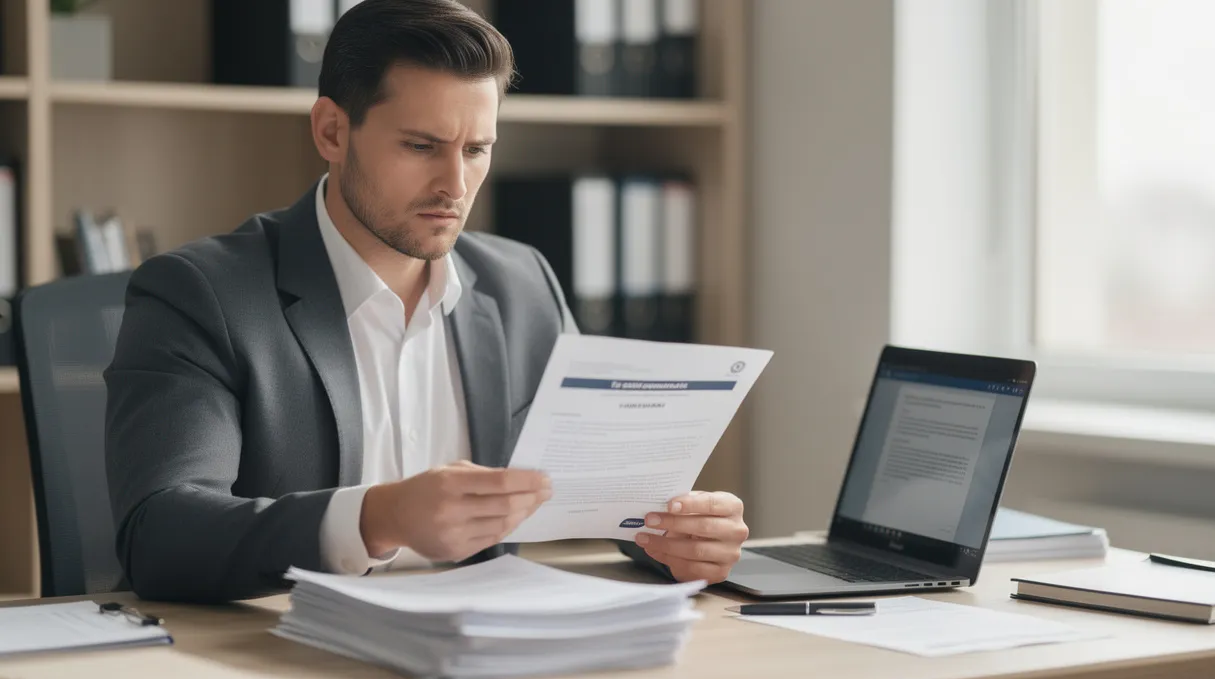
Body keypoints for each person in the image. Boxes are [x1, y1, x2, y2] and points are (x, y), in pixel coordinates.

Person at [104, 0, 748, 608]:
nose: (455, 185)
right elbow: (159, 534)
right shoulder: (198, 293)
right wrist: (376, 517)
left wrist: (674, 539)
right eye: (421, 146)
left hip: (482, 657)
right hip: (286, 665)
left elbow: (603, 497)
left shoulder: (523, 284)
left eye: (476, 150)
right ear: (332, 130)